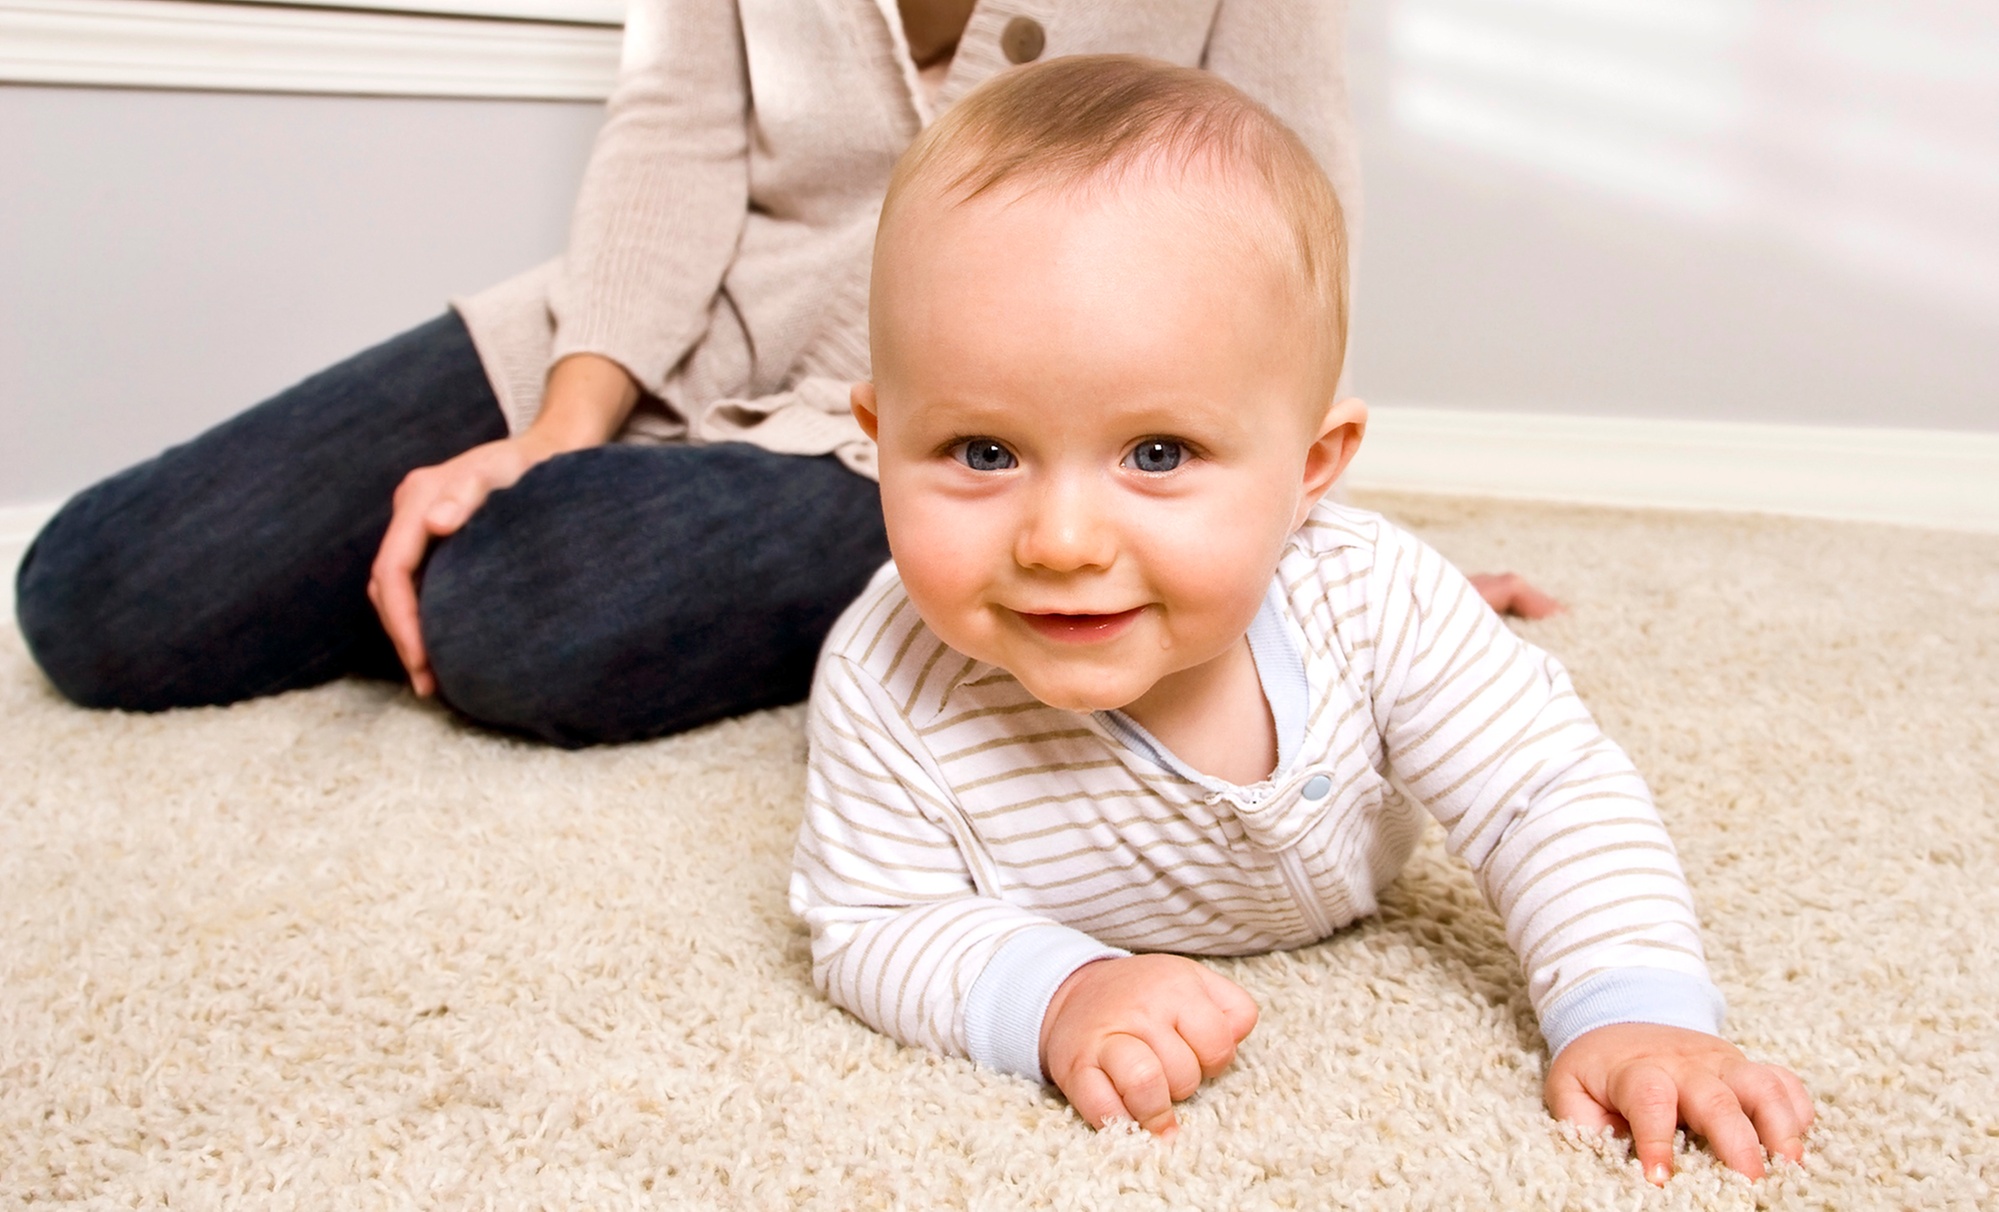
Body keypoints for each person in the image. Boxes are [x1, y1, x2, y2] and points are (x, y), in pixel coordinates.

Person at [788, 56, 1812, 1184]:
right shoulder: (888, 679)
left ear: (1310, 468)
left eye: (1158, 454)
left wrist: (1635, 1005)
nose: (1061, 541)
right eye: (982, 452)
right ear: (881, 443)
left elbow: (1544, 792)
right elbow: (873, 921)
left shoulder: (1370, 598)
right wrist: (1056, 990)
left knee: (1456, 673)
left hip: (1355, 625)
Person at [12, 0, 1556, 748]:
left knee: (514, 611)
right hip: (669, 324)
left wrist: (1285, 527)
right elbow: (673, 136)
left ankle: (572, 565)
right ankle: (529, 519)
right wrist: (561, 422)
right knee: (93, 592)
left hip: (945, 435)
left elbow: (1290, 223)